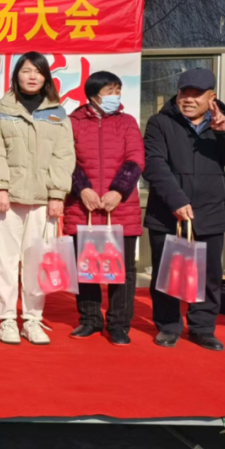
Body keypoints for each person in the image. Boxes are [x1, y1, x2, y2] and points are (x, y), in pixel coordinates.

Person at [143, 68, 225, 351]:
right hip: (167, 211)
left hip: (210, 211)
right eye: (184, 93)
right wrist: (176, 201)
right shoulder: (159, 123)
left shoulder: (222, 124)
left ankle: (202, 328)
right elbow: (154, 164)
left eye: (197, 94)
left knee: (209, 275)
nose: (189, 99)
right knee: (166, 272)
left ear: (211, 97)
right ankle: (168, 325)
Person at [0, 52, 75, 346]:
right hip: (6, 200)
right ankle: (7, 319)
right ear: (16, 75)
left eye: (38, 71)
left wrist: (57, 194)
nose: (32, 76)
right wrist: (0, 186)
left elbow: (64, 156)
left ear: (46, 77)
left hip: (43, 201)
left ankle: (32, 320)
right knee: (5, 262)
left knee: (37, 262)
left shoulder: (57, 113)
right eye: (26, 70)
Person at [63, 71, 144, 346]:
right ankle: (90, 319)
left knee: (124, 270)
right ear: (93, 95)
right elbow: (65, 159)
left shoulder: (127, 122)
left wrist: (118, 191)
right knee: (85, 266)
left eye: (118, 91)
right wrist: (82, 189)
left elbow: (136, 158)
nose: (115, 96)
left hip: (120, 208)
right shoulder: (72, 122)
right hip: (83, 207)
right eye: (110, 91)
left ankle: (119, 324)